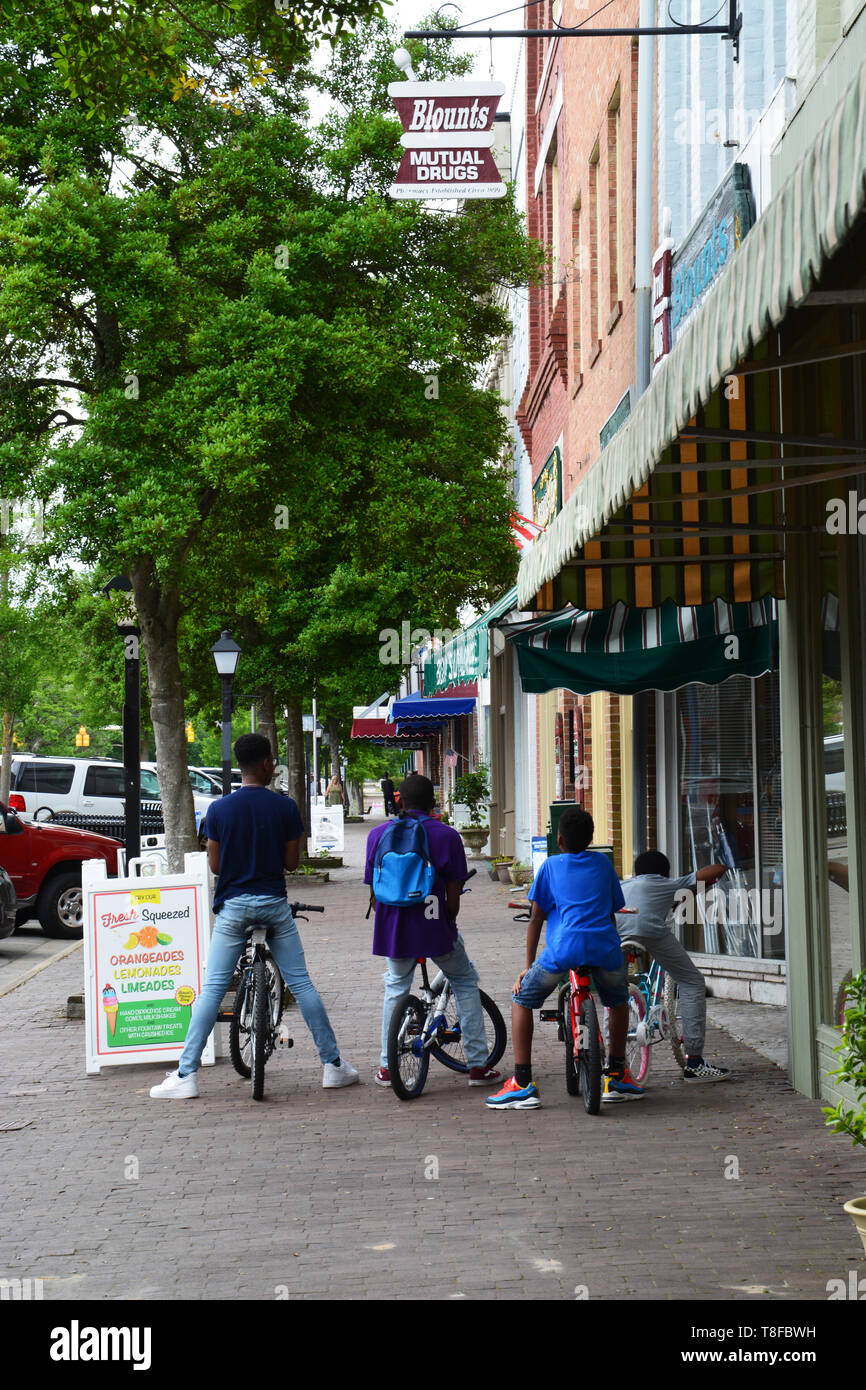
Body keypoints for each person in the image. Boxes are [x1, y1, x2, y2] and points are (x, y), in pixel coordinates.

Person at [150, 732, 357, 1099]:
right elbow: (292, 863)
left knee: (212, 989)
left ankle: (185, 1075)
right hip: (274, 906)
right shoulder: (285, 807)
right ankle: (333, 1065)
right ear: (265, 764)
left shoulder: (218, 810)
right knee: (302, 984)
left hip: (234, 907)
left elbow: (214, 864)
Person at [486, 806, 642, 1110]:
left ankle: (521, 1083)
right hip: (604, 948)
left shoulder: (549, 867)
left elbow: (535, 919)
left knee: (521, 1000)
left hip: (563, 950)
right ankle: (619, 1074)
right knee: (617, 1000)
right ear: (591, 838)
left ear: (559, 839)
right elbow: (609, 912)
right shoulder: (603, 864)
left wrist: (527, 967)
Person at [364, 772, 501, 1088]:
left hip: (394, 930)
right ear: (433, 803)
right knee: (464, 980)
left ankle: (388, 1067)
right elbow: (452, 902)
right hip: (434, 926)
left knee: (396, 987)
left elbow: (373, 893)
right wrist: (448, 922)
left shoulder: (377, 836)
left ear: (399, 799)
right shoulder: (447, 836)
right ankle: (478, 1066)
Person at [618, 850, 730, 1082]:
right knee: (692, 982)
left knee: (615, 993)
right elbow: (716, 871)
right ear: (664, 873)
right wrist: (723, 865)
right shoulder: (664, 883)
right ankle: (695, 1063)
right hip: (650, 932)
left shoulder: (624, 885)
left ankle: (614, 1063)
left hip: (616, 932)